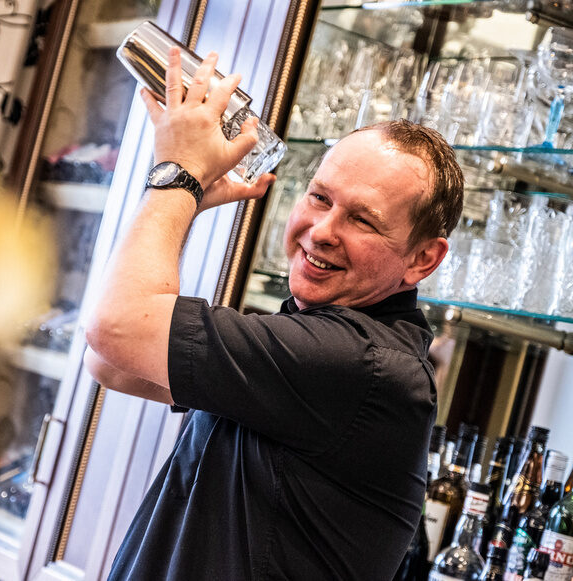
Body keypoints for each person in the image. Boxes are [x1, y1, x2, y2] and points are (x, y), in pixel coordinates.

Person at [84, 46, 463, 580]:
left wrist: (180, 176)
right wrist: (185, 195)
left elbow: (115, 327)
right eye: (319, 197)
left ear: (423, 259)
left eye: (363, 220)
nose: (324, 230)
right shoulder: (314, 339)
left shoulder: (359, 363)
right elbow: (113, 362)